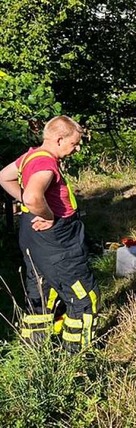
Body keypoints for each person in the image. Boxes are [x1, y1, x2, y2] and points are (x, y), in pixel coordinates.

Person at [0, 115, 99, 351]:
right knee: (85, 297)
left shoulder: (30, 156)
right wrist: (46, 214)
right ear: (58, 139)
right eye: (74, 143)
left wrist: (26, 204)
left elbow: (4, 177)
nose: (76, 149)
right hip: (57, 242)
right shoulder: (46, 163)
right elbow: (34, 196)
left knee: (41, 292)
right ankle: (76, 356)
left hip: (34, 239)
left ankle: (35, 351)